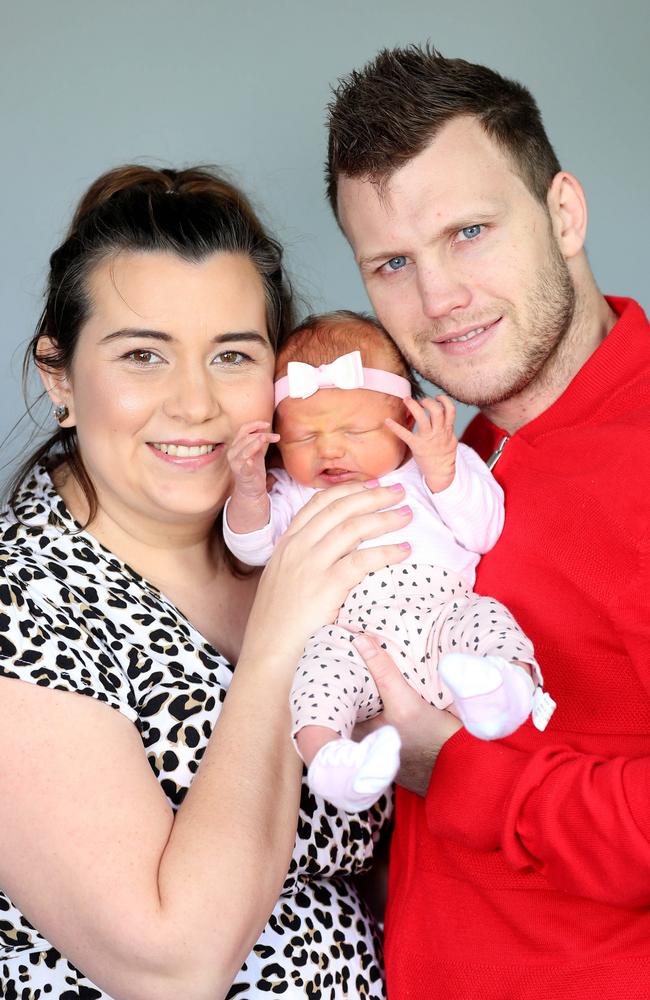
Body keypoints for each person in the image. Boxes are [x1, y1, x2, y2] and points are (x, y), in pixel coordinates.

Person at [0, 165, 413, 999]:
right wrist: (271, 651)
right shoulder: (23, 598)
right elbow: (170, 965)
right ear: (59, 377)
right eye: (143, 356)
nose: (195, 404)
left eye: (231, 355)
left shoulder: (297, 542)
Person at [325, 43, 650, 999]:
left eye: (469, 232)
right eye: (391, 262)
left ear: (564, 212)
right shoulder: (442, 467)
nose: (437, 302)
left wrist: (453, 771)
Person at [223, 310, 553, 814]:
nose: (329, 449)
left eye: (353, 431)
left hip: (441, 615)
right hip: (350, 642)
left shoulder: (432, 467)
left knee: (486, 619)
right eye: (304, 438)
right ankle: (333, 761)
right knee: (315, 680)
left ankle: (500, 691)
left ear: (404, 420)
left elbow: (483, 530)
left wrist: (443, 471)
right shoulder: (290, 492)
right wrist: (248, 491)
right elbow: (253, 546)